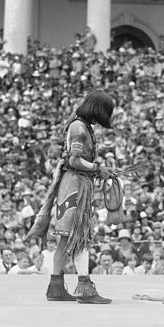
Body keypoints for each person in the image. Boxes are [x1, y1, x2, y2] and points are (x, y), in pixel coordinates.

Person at [26, 90, 118, 304]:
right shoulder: (78, 127)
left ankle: (55, 288)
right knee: (80, 235)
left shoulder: (80, 125)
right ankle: (85, 289)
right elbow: (74, 160)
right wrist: (98, 168)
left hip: (74, 184)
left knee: (65, 240)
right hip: (75, 185)